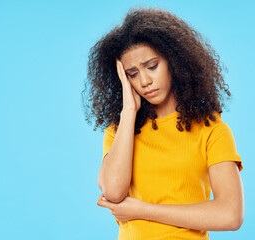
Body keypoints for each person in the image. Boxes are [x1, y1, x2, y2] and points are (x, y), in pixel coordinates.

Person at [82, 6, 244, 240]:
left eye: (151, 66)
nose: (145, 81)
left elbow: (230, 215)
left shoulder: (212, 131)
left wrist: (141, 210)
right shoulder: (119, 132)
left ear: (174, 62)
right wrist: (129, 111)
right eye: (132, 73)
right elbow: (114, 192)